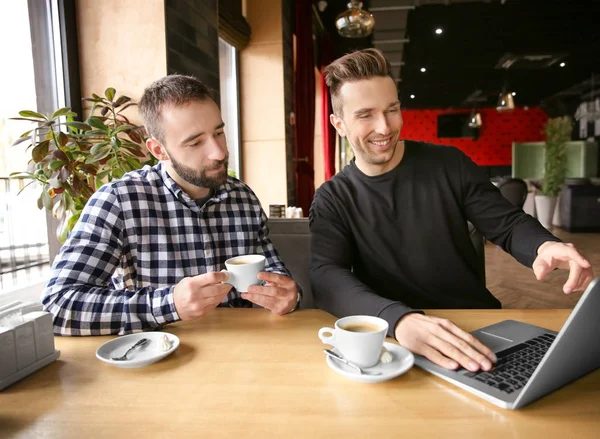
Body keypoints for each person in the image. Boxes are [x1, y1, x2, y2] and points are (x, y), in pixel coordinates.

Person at [310, 48, 594, 373]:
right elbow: (326, 276)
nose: (385, 127)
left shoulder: (449, 165)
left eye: (392, 109)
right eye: (365, 115)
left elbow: (508, 223)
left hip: (475, 325)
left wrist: (544, 245)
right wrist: (398, 319)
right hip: (393, 339)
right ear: (339, 124)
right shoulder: (333, 198)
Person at [43, 75, 300, 336]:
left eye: (219, 133)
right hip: (162, 358)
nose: (219, 152)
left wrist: (289, 296)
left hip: (246, 350)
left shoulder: (243, 198)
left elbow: (274, 274)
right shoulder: (119, 201)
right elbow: (57, 305)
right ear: (158, 150)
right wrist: (169, 304)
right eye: (195, 142)